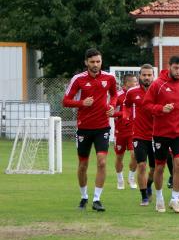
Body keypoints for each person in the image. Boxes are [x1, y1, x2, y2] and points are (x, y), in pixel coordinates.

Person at [62, 48, 117, 212]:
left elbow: (114, 95)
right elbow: (65, 101)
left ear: (101, 62)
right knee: (82, 166)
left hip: (103, 127)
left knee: (102, 161)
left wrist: (113, 106)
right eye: (92, 62)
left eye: (98, 62)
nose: (95, 65)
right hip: (84, 128)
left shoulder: (109, 78)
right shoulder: (78, 79)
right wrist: (82, 103)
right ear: (86, 62)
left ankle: (97, 199)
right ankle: (84, 196)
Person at [143, 55, 179, 214]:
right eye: (175, 68)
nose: (178, 72)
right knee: (159, 167)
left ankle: (175, 199)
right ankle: (159, 198)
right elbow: (146, 105)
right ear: (169, 66)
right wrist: (161, 109)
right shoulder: (157, 84)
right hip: (161, 132)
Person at [125, 64, 156, 206]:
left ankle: (149, 184)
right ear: (140, 76)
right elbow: (126, 105)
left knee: (155, 169)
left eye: (149, 75)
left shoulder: (158, 92)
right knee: (142, 165)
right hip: (139, 134)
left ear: (153, 76)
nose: (147, 77)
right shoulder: (132, 92)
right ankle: (144, 196)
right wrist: (126, 116)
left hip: (157, 135)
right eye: (144, 75)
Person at [113, 73, 138, 190]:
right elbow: (110, 112)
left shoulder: (137, 94)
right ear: (127, 83)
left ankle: (131, 177)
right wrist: (122, 114)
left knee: (135, 155)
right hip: (120, 131)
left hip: (134, 130)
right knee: (119, 157)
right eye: (135, 82)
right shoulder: (118, 95)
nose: (137, 84)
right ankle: (120, 179)